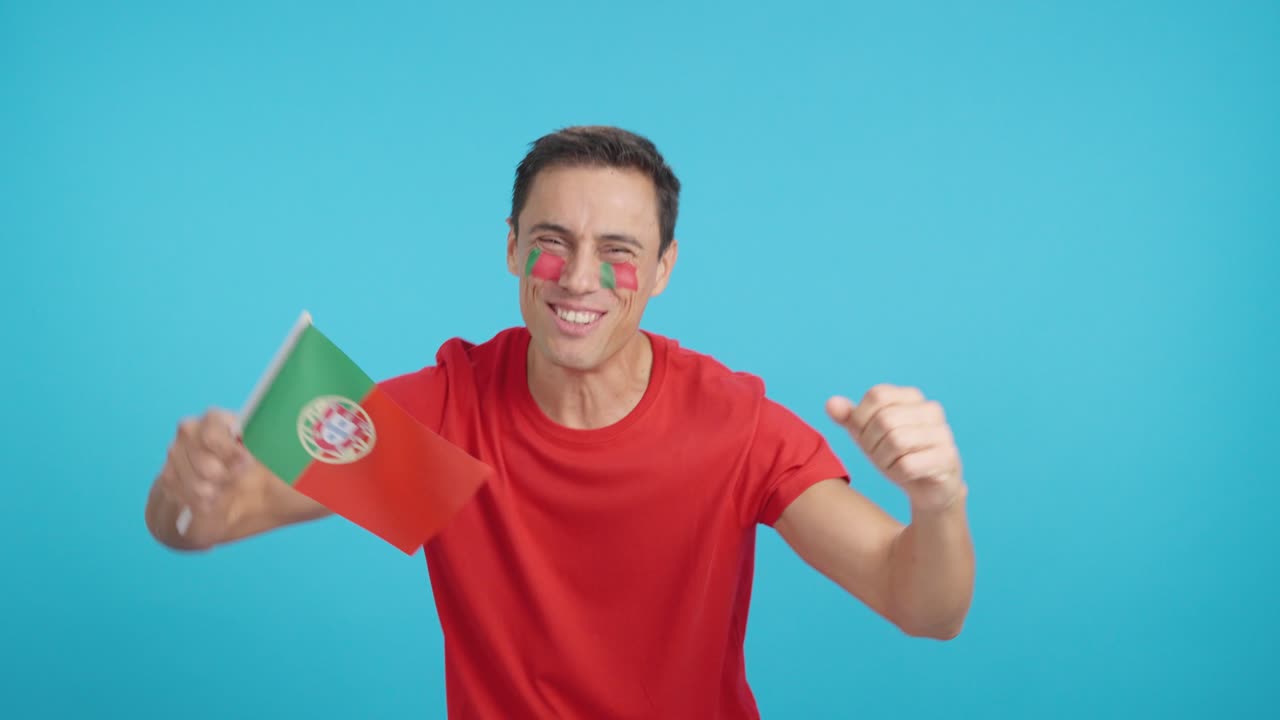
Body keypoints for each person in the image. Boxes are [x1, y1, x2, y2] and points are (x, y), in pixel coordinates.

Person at [143, 126, 976, 719]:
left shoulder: (738, 428)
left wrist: (939, 503)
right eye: (552, 241)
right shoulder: (442, 410)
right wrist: (190, 495)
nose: (580, 278)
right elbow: (207, 522)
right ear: (510, 248)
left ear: (662, 270)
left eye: (619, 251)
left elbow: (924, 608)